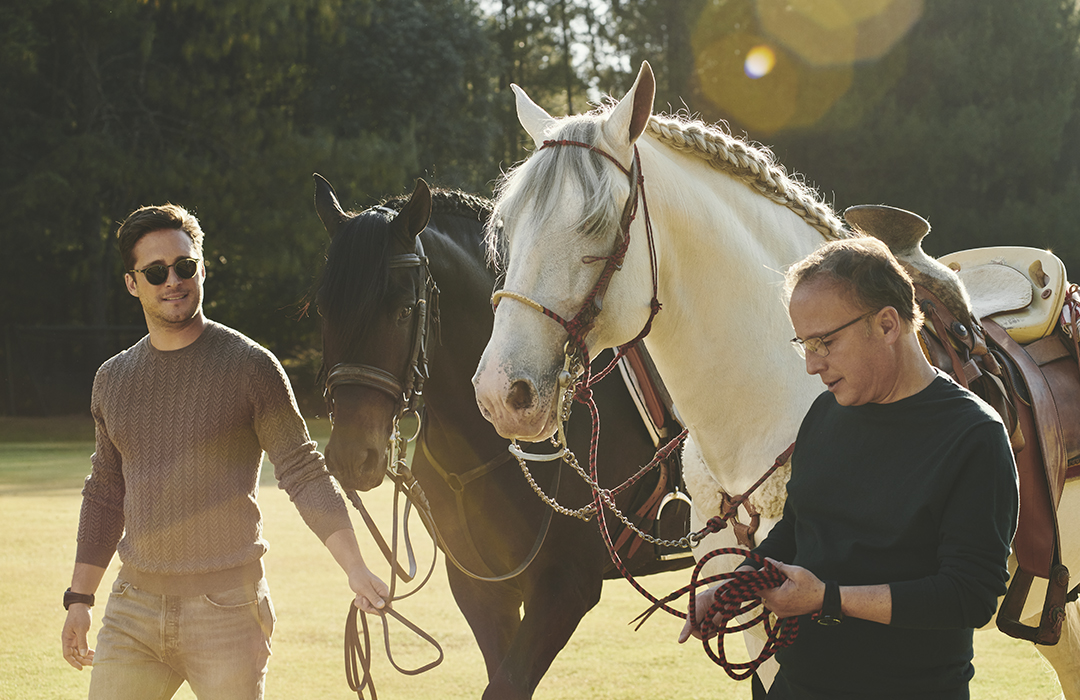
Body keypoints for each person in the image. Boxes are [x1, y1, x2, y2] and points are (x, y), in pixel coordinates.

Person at [60, 203, 389, 699]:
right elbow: (106, 491)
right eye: (155, 272)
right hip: (133, 608)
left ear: (202, 268)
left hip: (228, 613)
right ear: (133, 284)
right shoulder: (112, 379)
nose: (173, 280)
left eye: (184, 266)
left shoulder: (251, 366)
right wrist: (80, 598)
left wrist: (355, 567)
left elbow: (301, 469)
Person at [680, 236, 1019, 698]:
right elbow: (798, 531)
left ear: (885, 325)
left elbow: (969, 596)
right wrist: (735, 587)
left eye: (825, 342)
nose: (812, 366)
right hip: (795, 685)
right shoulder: (825, 414)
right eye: (805, 344)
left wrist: (827, 599)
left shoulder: (974, 436)